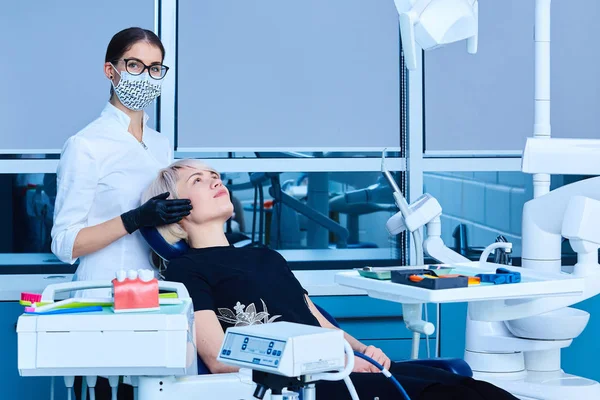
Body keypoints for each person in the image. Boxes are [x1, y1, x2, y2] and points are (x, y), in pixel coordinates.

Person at [142, 159, 519, 400]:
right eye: (198, 180)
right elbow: (220, 358)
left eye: (214, 175)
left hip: (339, 367)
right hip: (298, 384)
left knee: (470, 388)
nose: (214, 181)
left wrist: (363, 351)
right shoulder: (185, 272)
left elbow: (316, 319)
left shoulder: (265, 255)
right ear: (176, 210)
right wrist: (334, 361)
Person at [50, 27, 192, 400]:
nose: (145, 76)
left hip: (158, 297)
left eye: (155, 68)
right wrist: (135, 219)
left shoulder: (161, 144)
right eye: (134, 64)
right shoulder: (86, 145)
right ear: (110, 71)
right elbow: (65, 243)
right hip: (100, 297)